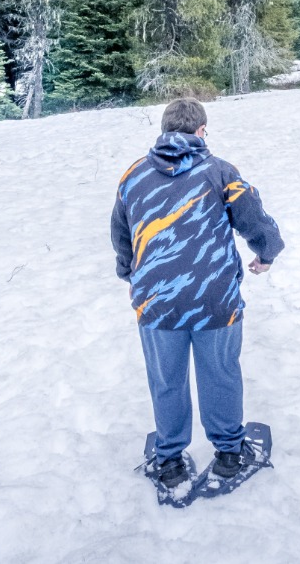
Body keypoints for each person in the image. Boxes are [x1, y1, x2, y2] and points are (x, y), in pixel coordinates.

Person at [111, 98, 285, 488]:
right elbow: (253, 216)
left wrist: (132, 274)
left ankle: (169, 460)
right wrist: (266, 253)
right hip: (215, 299)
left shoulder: (133, 176)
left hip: (157, 303)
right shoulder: (219, 171)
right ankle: (228, 454)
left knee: (166, 378)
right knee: (220, 372)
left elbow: (121, 234)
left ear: (163, 130)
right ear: (202, 131)